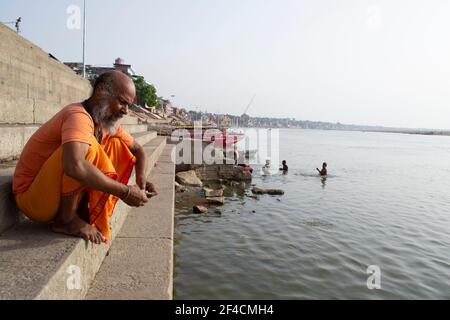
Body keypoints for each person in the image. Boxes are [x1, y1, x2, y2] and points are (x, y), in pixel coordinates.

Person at [12, 71, 157, 245]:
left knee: (118, 146)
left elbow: (138, 150)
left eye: (129, 105)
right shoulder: (78, 116)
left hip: (51, 194)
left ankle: (79, 209)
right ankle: (66, 220)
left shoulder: (103, 120)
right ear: (101, 90)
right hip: (32, 199)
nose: (125, 111)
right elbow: (74, 165)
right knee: (86, 149)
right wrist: (125, 192)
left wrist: (141, 182)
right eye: (122, 102)